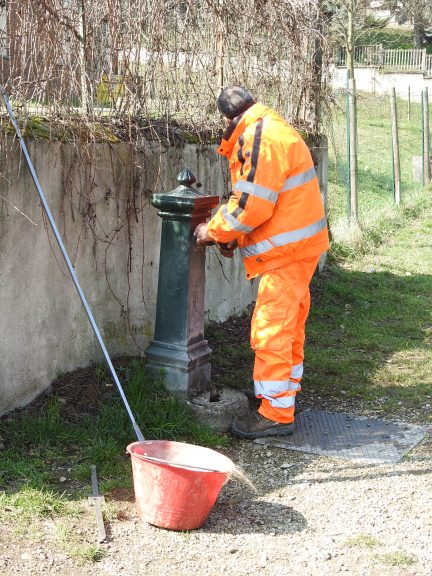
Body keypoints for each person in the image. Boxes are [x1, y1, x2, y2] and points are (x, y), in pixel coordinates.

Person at [194, 86, 329, 439]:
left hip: (284, 255)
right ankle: (284, 395)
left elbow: (251, 203)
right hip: (298, 249)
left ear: (228, 119)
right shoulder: (272, 127)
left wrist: (215, 231)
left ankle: (275, 414)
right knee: (289, 326)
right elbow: (269, 198)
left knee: (271, 330)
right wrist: (234, 236)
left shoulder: (259, 138)